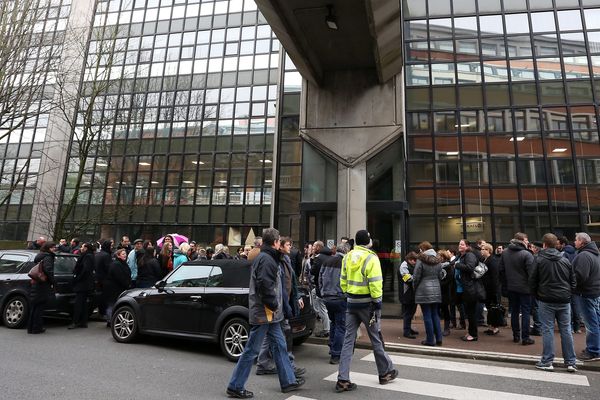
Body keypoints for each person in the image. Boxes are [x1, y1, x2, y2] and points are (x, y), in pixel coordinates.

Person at [226, 228, 305, 398]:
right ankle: (235, 385)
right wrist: (275, 304)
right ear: (276, 242)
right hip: (265, 313)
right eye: (279, 241)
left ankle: (288, 381)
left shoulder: (267, 257)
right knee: (252, 350)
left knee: (280, 346)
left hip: (270, 314)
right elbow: (265, 286)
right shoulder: (267, 259)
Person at [335, 230, 396, 392]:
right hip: (368, 305)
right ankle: (384, 373)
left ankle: (343, 379)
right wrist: (377, 303)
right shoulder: (371, 257)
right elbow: (376, 282)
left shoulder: (348, 256)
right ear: (368, 241)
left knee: (348, 341)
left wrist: (349, 294)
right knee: (375, 338)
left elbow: (342, 280)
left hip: (351, 303)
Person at [256, 237, 305, 377]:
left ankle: (263, 363)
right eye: (288, 244)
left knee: (271, 334)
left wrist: (297, 296)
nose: (290, 247)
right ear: (280, 246)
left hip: (283, 301)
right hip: (279, 303)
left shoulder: (286, 259)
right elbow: (276, 284)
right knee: (284, 333)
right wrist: (279, 303)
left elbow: (292, 280)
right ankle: (289, 367)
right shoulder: (276, 260)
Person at [529, 233, 577, 372]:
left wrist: (536, 295)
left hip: (546, 298)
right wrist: (568, 294)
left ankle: (547, 361)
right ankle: (570, 362)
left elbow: (532, 281)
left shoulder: (538, 260)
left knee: (548, 329)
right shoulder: (565, 260)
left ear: (544, 245)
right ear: (556, 244)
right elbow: (573, 280)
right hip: (564, 299)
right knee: (566, 330)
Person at [500, 232, 536, 345]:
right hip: (525, 288)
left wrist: (505, 285)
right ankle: (525, 337)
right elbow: (532, 273)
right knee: (525, 312)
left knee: (514, 311)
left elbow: (501, 271)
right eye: (526, 240)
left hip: (511, 287)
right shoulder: (526, 254)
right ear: (521, 241)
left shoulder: (505, 253)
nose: (528, 242)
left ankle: (516, 335)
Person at [320, 241, 350, 364]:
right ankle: (336, 354)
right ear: (346, 251)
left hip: (327, 297)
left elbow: (320, 278)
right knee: (341, 326)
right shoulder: (345, 262)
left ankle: (332, 347)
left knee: (333, 323)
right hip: (339, 297)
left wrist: (322, 292)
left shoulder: (327, 260)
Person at [572, 232, 600, 361]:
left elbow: (580, 276)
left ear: (582, 242)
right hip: (594, 292)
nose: (574, 242)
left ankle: (593, 350)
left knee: (591, 323)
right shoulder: (595, 254)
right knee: (596, 321)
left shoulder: (583, 256)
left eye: (576, 240)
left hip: (586, 293)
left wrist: (572, 285)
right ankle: (595, 347)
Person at [413, 242, 444, 346]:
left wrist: (415, 287)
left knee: (427, 315)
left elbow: (416, 276)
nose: (419, 251)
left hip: (423, 289)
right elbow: (440, 275)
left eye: (420, 249)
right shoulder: (438, 260)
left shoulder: (421, 260)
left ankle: (430, 340)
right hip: (436, 289)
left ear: (423, 249)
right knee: (435, 314)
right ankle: (439, 338)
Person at [455, 239, 483, 342]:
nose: (460, 246)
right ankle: (470, 332)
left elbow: (470, 268)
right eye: (459, 244)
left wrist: (457, 265)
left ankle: (473, 335)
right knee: (468, 312)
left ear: (467, 246)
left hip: (470, 288)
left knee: (471, 313)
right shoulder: (461, 255)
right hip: (464, 288)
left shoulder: (469, 255)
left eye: (462, 244)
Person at [27, 241, 56, 334]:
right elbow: (48, 270)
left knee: (35, 306)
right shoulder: (48, 257)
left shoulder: (39, 255)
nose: (54, 249)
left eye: (54, 247)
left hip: (35, 282)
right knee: (40, 307)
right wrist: (53, 282)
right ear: (48, 248)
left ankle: (31, 327)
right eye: (52, 247)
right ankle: (37, 327)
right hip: (43, 283)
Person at [69, 242, 95, 329]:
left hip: (83, 283)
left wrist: (77, 278)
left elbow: (85, 269)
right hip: (86, 283)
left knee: (79, 303)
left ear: (86, 248)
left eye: (82, 247)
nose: (81, 248)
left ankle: (75, 321)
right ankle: (83, 322)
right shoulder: (90, 255)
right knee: (83, 303)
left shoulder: (87, 256)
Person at [104, 248, 132, 327]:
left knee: (114, 304)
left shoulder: (122, 263)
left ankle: (112, 320)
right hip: (114, 288)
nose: (125, 255)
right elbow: (119, 277)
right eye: (123, 254)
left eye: (125, 254)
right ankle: (110, 320)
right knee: (112, 304)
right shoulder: (116, 264)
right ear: (118, 255)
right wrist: (127, 284)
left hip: (119, 288)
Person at [309, 241, 332, 337]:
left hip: (320, 286)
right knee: (313, 293)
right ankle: (317, 311)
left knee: (323, 309)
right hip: (329, 286)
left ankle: (327, 329)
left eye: (314, 246)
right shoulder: (330, 257)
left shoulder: (318, 258)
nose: (313, 248)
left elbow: (313, 271)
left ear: (318, 247)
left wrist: (312, 259)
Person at [481, 243, 502, 335]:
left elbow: (494, 276)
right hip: (487, 288)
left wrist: (494, 290)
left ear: (488, 250)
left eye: (483, 249)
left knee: (494, 308)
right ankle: (491, 326)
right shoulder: (485, 259)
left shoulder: (492, 260)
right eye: (481, 249)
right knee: (490, 308)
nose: (482, 250)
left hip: (492, 288)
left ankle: (495, 328)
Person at [398, 251, 419, 339]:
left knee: (411, 311)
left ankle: (409, 328)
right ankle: (406, 331)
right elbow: (407, 279)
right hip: (406, 293)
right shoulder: (404, 266)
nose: (415, 262)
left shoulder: (409, 265)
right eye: (414, 260)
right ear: (409, 260)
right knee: (408, 313)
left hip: (411, 293)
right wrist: (417, 276)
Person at [94, 239, 114, 317]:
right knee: (104, 297)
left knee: (100, 295)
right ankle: (103, 312)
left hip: (98, 278)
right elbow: (108, 268)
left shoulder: (98, 254)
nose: (111, 247)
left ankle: (100, 310)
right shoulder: (106, 255)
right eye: (111, 246)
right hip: (104, 279)